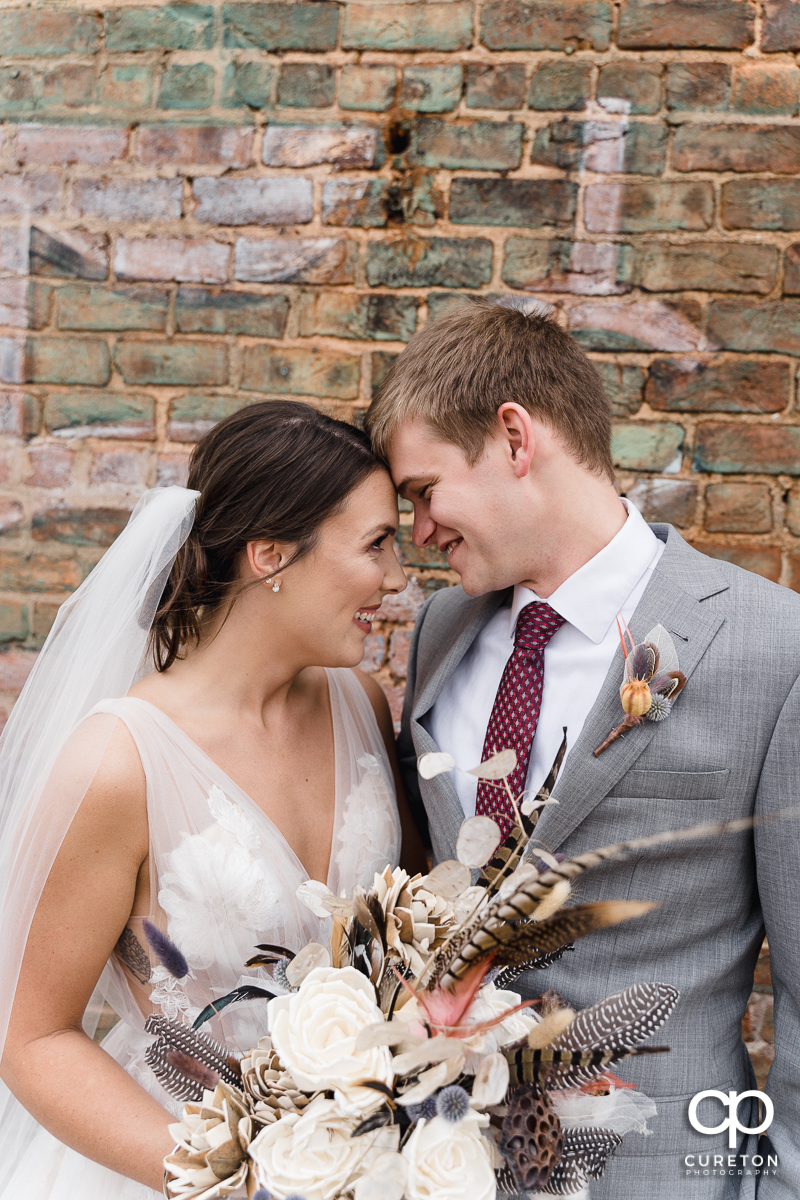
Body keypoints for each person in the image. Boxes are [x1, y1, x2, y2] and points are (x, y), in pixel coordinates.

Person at [367, 299, 800, 1200]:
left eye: (423, 492)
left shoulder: (772, 646)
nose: (420, 534)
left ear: (515, 439)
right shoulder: (443, 631)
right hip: (436, 1168)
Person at [0, 400, 426, 1199]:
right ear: (271, 555)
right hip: (172, 1167)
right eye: (377, 544)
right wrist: (239, 1179)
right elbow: (33, 1039)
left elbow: (403, 947)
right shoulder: (118, 762)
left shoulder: (359, 704)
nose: (398, 578)